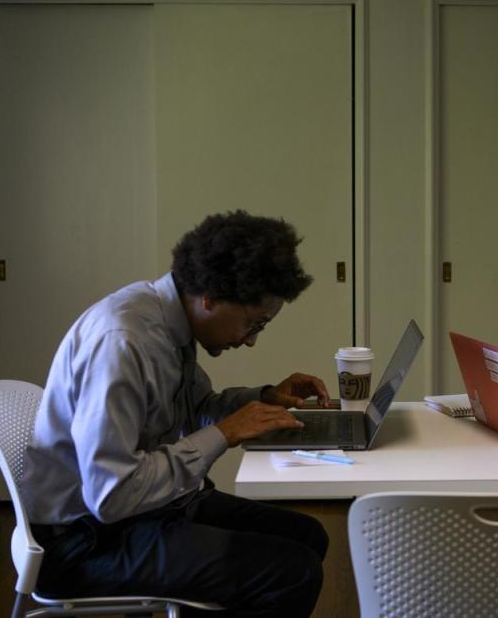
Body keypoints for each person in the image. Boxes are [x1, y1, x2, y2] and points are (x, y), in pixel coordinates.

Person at [21, 210, 333, 617]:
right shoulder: (124, 342)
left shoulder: (169, 320)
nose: (253, 341)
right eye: (254, 323)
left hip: (145, 510)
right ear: (211, 297)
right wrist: (224, 433)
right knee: (293, 572)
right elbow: (111, 496)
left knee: (307, 536)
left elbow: (199, 409)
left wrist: (265, 397)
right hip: (87, 541)